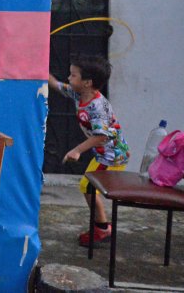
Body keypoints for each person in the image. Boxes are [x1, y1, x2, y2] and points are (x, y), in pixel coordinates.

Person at [48, 54, 130, 246]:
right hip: (103, 154)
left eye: (73, 75)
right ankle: (101, 227)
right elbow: (59, 86)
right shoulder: (80, 94)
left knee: (88, 187)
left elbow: (101, 136)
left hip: (112, 157)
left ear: (87, 82)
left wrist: (77, 150)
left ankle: (102, 229)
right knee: (88, 187)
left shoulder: (97, 108)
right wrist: (41, 72)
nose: (69, 78)